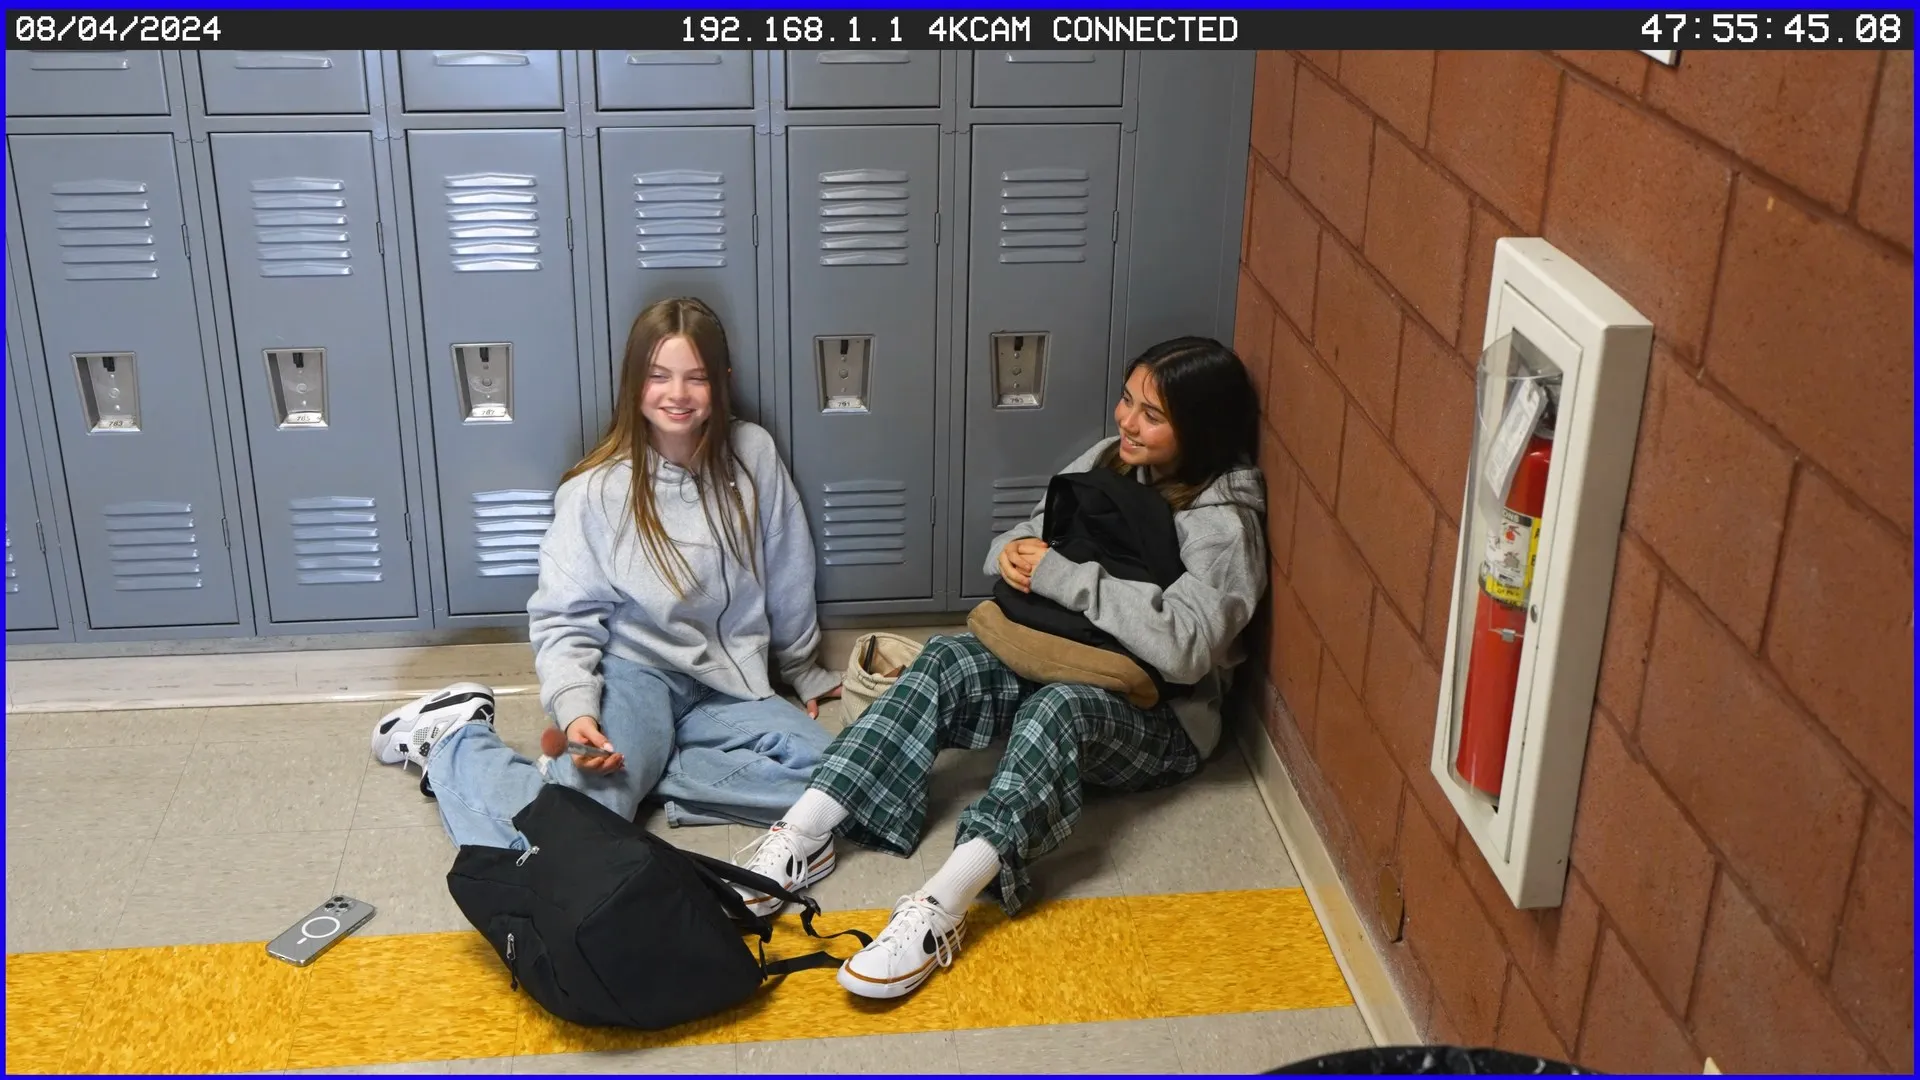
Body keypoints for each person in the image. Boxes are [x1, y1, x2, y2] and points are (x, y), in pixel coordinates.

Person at [733, 336, 1268, 999]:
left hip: (1162, 718)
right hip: (1064, 655)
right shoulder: (1110, 460)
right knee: (946, 658)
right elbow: (1021, 537)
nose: (1127, 421)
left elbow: (1187, 647)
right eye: (1127, 400)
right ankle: (805, 833)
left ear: (1201, 429)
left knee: (1055, 710)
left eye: (1152, 415)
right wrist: (1014, 554)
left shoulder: (1223, 528)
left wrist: (1063, 576)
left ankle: (939, 907)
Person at [370, 297, 844, 851]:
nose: (677, 394)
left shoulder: (752, 453)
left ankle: (647, 772)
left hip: (730, 681)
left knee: (838, 785)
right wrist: (576, 711)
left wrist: (802, 667)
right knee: (570, 835)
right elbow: (562, 619)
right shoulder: (596, 489)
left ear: (723, 381)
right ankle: (457, 742)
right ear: (633, 382)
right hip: (637, 674)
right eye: (659, 376)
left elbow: (788, 565)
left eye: (696, 377)